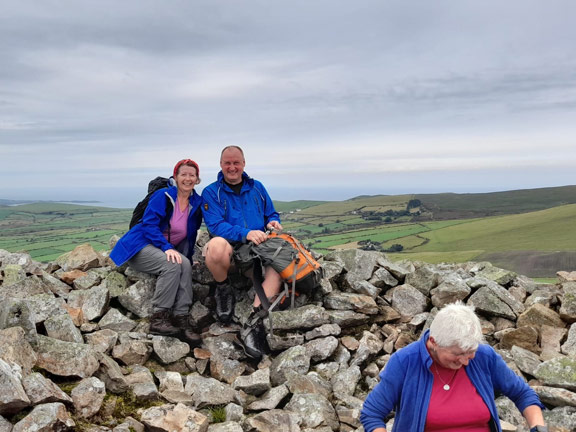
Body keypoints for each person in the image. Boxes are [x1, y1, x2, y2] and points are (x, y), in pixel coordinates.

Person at [360, 302, 547, 432]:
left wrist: (538, 427)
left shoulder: (484, 356)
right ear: (433, 342)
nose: (466, 361)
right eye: (457, 354)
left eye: (470, 352)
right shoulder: (405, 361)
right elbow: (372, 413)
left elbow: (523, 394)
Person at [110, 159, 203, 347]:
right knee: (171, 264)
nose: (187, 178)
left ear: (197, 179)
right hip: (139, 246)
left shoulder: (196, 202)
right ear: (175, 177)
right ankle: (159, 318)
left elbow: (190, 235)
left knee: (184, 264)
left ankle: (181, 318)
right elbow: (149, 225)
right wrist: (167, 247)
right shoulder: (163, 195)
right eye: (183, 174)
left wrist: (189, 257)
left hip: (161, 248)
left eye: (191, 175)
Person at [201, 145, 282, 359]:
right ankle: (223, 289)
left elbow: (270, 213)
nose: (232, 167)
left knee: (277, 270)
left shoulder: (258, 188)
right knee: (216, 246)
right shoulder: (211, 192)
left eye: (236, 162)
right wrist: (245, 233)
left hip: (256, 250)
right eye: (227, 163)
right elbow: (216, 226)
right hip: (230, 250)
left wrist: (273, 221)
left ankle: (252, 324)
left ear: (244, 164)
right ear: (221, 165)